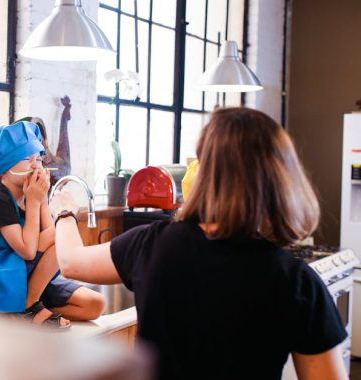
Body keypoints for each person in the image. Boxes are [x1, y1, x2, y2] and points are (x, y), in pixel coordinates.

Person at [49, 107, 347, 379]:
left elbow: (72, 262)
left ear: (204, 172)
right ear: (281, 177)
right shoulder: (295, 282)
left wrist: (64, 211)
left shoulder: (151, 244)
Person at [0, 120, 104, 329]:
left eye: (38, 158)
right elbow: (28, 251)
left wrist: (41, 200)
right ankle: (30, 306)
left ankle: (19, 309)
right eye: (26, 158)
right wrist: (35, 202)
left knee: (95, 305)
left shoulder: (32, 192)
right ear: (5, 167)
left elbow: (49, 232)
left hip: (26, 273)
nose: (35, 165)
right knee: (60, 241)